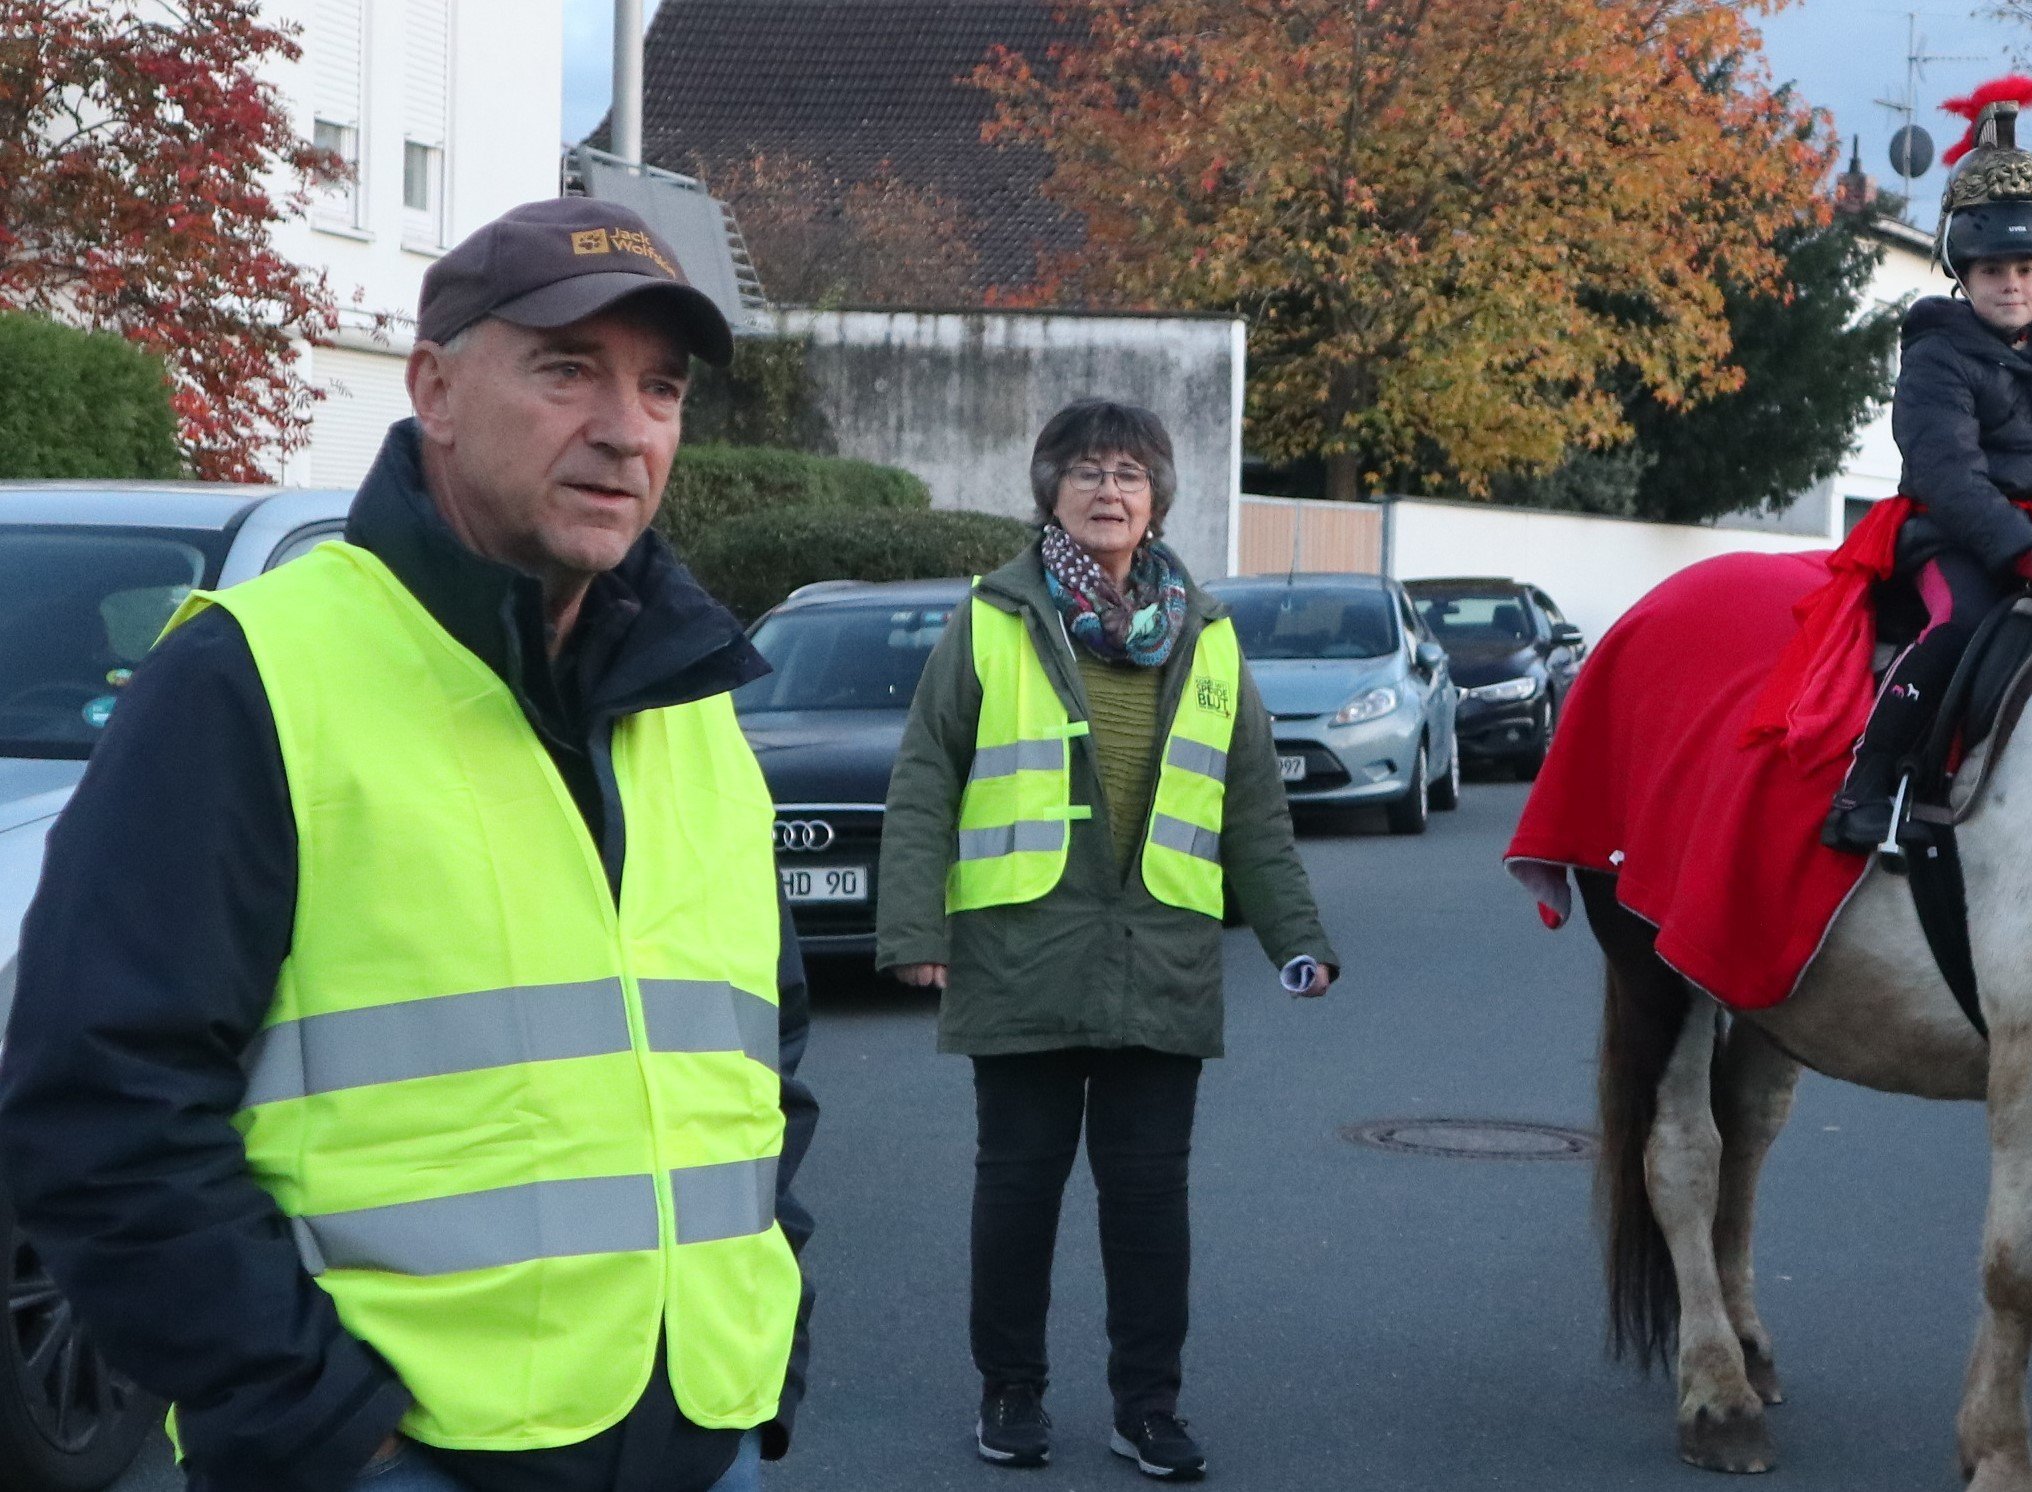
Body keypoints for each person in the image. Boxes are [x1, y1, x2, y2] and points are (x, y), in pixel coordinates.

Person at [0, 198, 814, 1492]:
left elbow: (758, 1063)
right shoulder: (251, 676)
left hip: (702, 1440)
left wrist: (768, 1324)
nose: (624, 429)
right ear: (432, 386)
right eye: (567, 370)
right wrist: (321, 1422)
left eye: (659, 388)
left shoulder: (694, 701)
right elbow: (98, 1101)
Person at [876, 399, 1337, 1480]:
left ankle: (1148, 1405)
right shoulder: (991, 617)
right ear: (1051, 493)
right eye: (1084, 472)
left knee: (1146, 1206)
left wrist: (1294, 939)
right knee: (1018, 1192)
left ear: (1157, 500)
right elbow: (925, 776)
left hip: (1159, 962)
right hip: (1019, 953)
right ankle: (1012, 1391)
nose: (1107, 491)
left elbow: (1251, 806)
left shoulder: (1208, 637)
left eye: (1128, 473)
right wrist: (913, 926)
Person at [1821, 75, 2032, 851]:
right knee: (1960, 620)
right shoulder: (1936, 358)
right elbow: (1948, 475)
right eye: (1995, 270)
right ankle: (1867, 787)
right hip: (1951, 537)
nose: (2013, 284)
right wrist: (2024, 550)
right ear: (1964, 273)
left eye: (2027, 270)